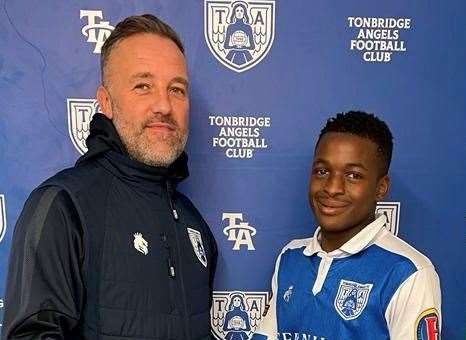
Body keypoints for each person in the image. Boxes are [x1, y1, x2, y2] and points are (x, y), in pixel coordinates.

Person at [2, 14, 217, 340]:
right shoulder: (65, 207)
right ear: (106, 102)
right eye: (143, 86)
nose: (164, 105)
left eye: (176, 89)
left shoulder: (193, 224)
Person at [253, 111, 441, 339]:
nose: (332, 188)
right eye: (322, 171)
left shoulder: (408, 272)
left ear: (381, 187)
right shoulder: (290, 257)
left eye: (353, 175)